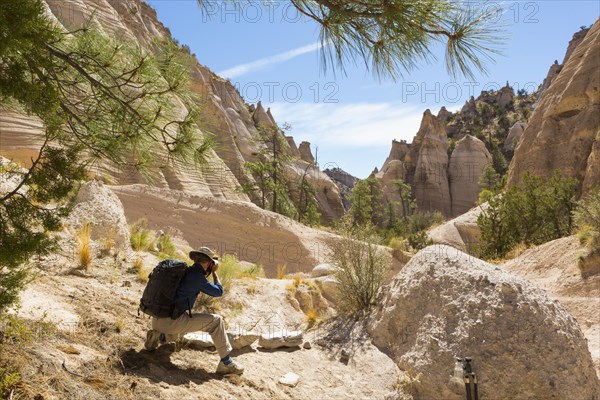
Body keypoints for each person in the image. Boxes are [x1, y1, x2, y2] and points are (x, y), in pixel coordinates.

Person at [144, 247, 244, 375]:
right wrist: (214, 273)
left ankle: (158, 336)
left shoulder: (184, 271)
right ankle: (227, 362)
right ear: (208, 263)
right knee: (217, 321)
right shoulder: (198, 277)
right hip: (172, 323)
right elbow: (218, 292)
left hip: (157, 319)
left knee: (185, 321)